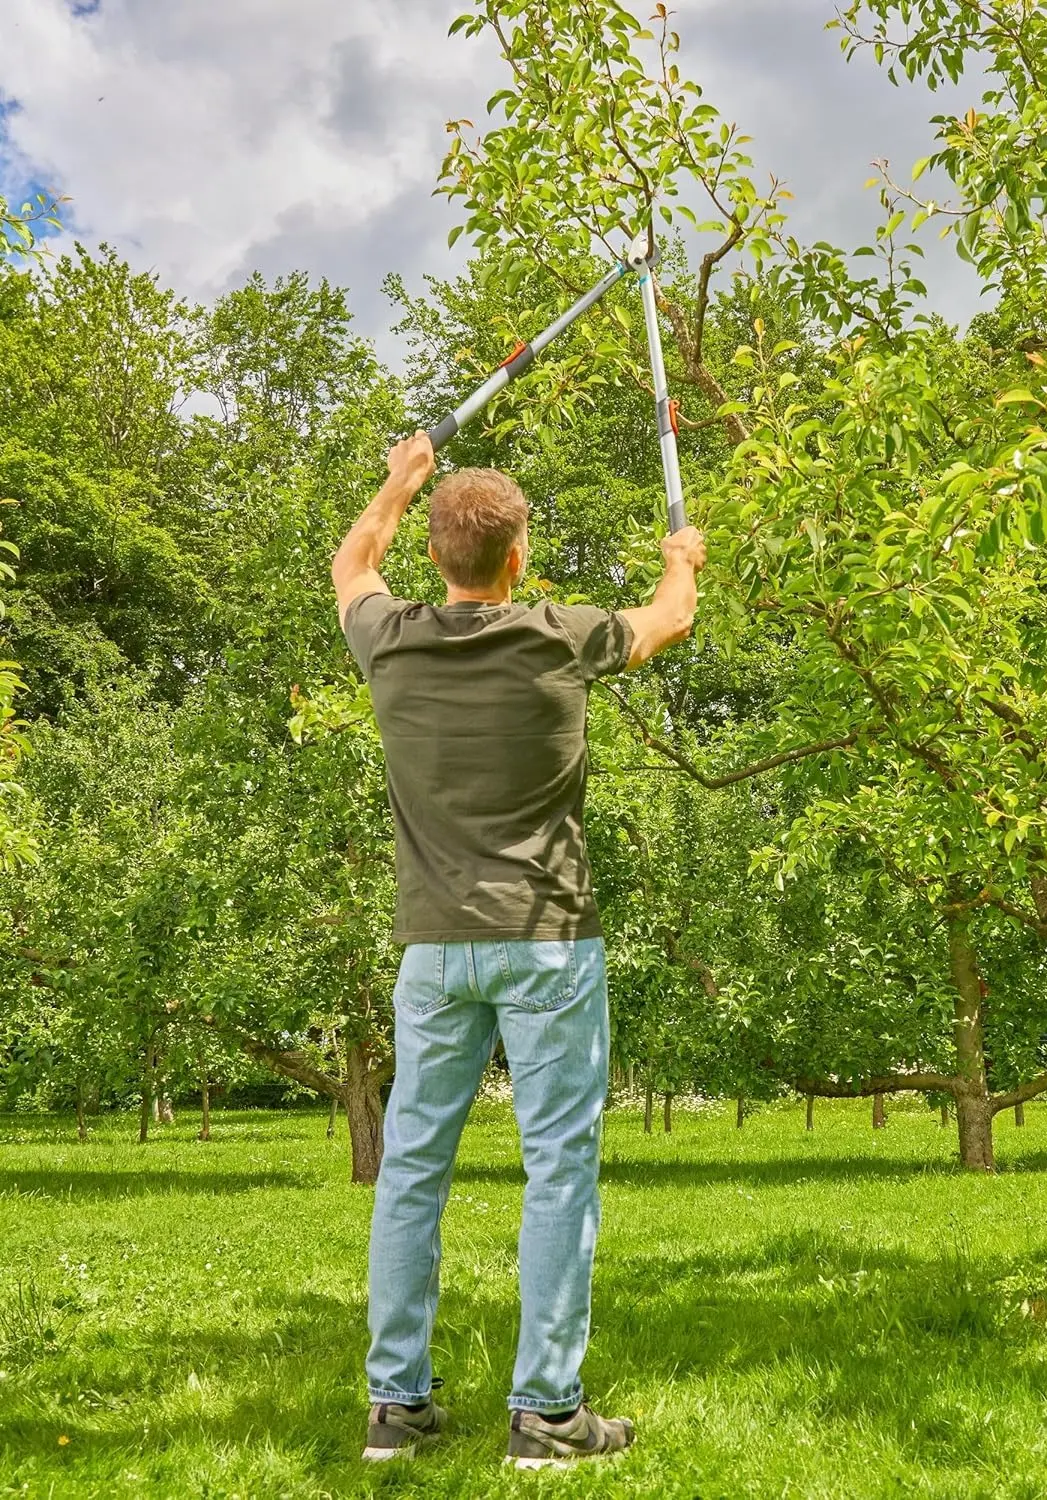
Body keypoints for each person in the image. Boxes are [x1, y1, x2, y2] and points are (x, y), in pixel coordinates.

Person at [330, 432, 706, 1468]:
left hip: (435, 954)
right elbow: (672, 618)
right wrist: (682, 558)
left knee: (411, 1171)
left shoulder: (388, 639)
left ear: (441, 553)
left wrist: (399, 484)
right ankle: (545, 1416)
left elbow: (351, 562)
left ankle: (396, 1410)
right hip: (546, 945)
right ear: (516, 559)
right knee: (559, 1175)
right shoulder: (559, 636)